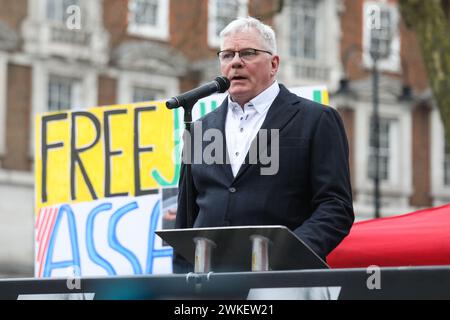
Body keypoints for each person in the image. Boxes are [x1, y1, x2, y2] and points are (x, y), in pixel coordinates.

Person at [173, 16, 354, 273]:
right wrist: (182, 284)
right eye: (227, 55)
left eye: (248, 53)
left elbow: (336, 207)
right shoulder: (200, 127)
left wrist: (286, 255)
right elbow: (186, 217)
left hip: (285, 280)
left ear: (274, 63)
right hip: (212, 284)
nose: (236, 62)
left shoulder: (316, 119)